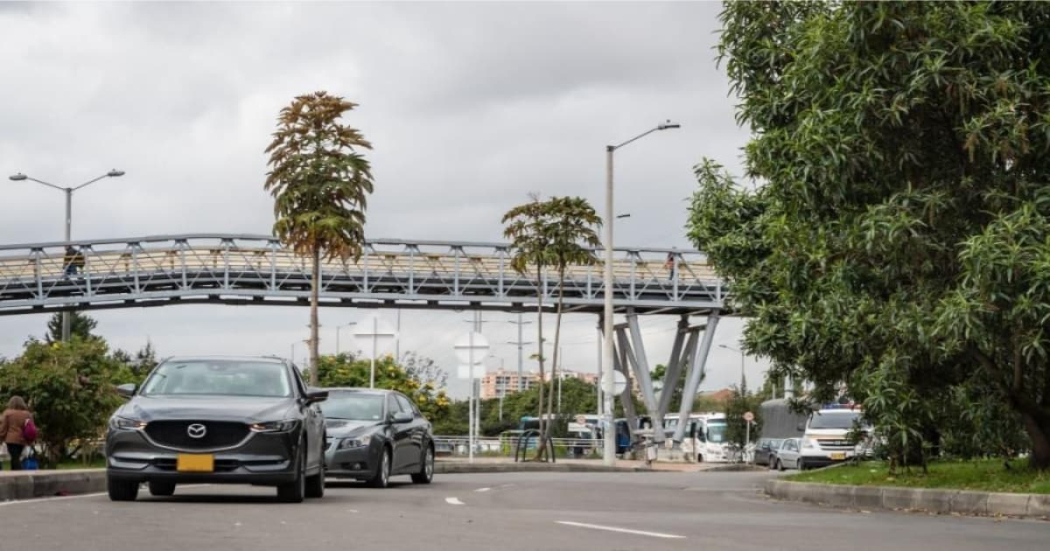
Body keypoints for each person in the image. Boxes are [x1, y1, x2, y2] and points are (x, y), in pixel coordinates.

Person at [0, 396, 33, 471]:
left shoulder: (7, 413)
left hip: (11, 440)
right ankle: (13, 474)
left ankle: (20, 475)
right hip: (22, 440)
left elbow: (3, 427)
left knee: (15, 458)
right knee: (15, 457)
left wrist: (1, 438)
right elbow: (30, 427)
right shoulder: (27, 414)